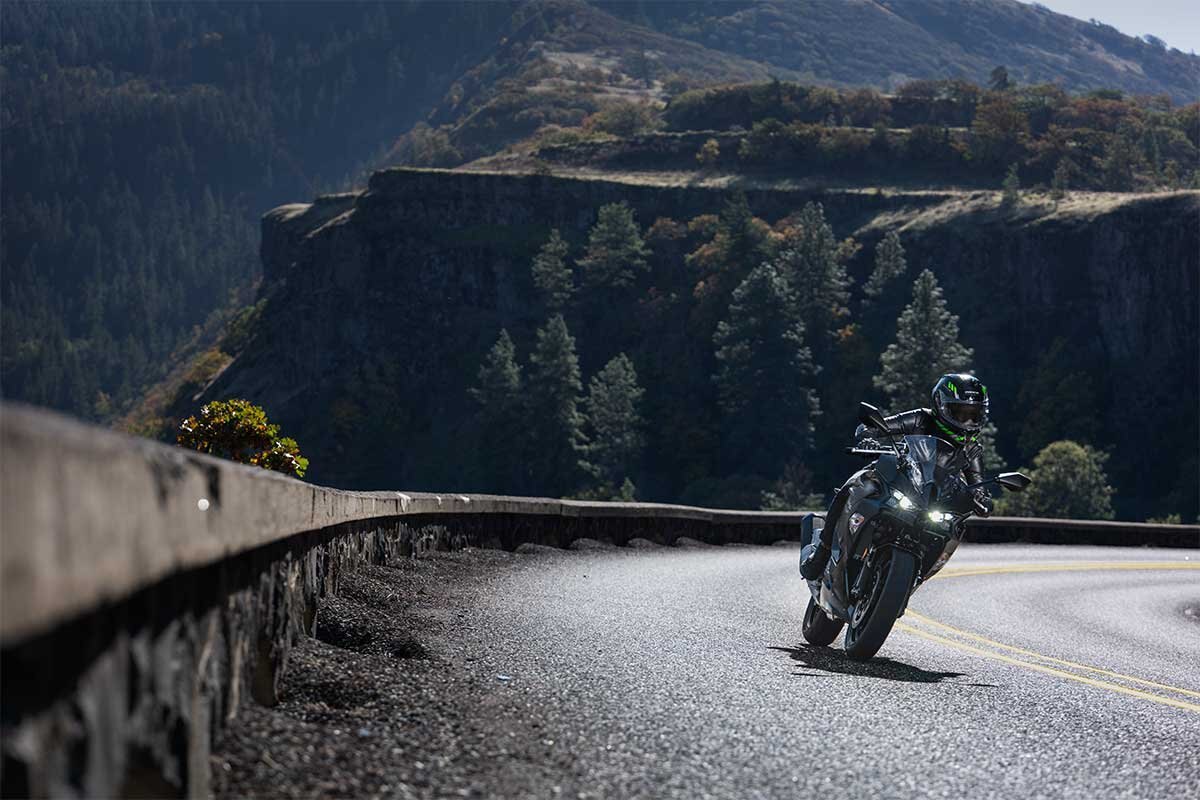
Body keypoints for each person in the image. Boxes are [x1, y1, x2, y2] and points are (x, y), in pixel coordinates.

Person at [800, 373, 994, 580]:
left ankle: (916, 575)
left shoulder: (971, 449)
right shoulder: (921, 419)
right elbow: (878, 426)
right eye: (960, 413)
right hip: (900, 480)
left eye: (974, 415)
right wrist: (869, 435)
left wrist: (983, 500)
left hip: (933, 501)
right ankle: (822, 551)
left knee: (952, 529)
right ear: (941, 405)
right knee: (856, 484)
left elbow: (978, 485)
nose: (967, 421)